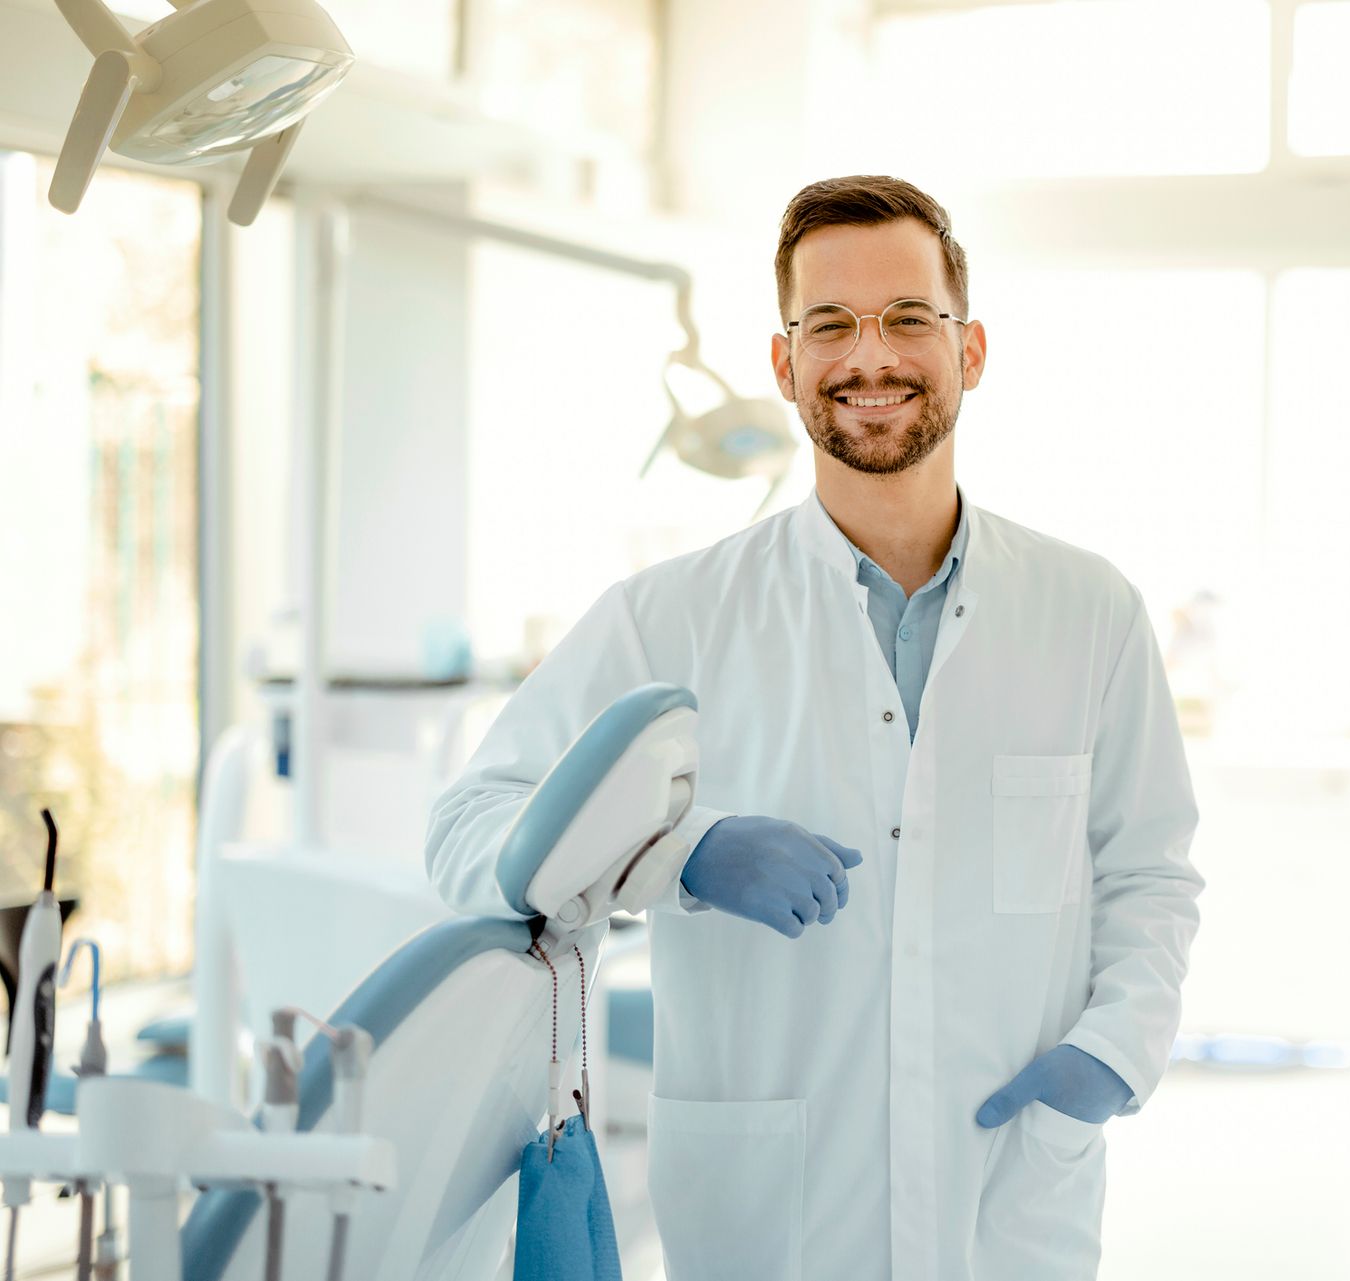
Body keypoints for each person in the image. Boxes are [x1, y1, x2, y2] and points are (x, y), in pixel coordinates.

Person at [425, 174, 1203, 1280]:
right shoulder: (672, 616)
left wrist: (1113, 1055)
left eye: (907, 320)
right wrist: (682, 854)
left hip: (1015, 1196)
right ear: (785, 364)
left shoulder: (1090, 611)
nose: (868, 357)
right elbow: (468, 830)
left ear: (969, 350)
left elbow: (1150, 873)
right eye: (829, 324)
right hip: (771, 1218)